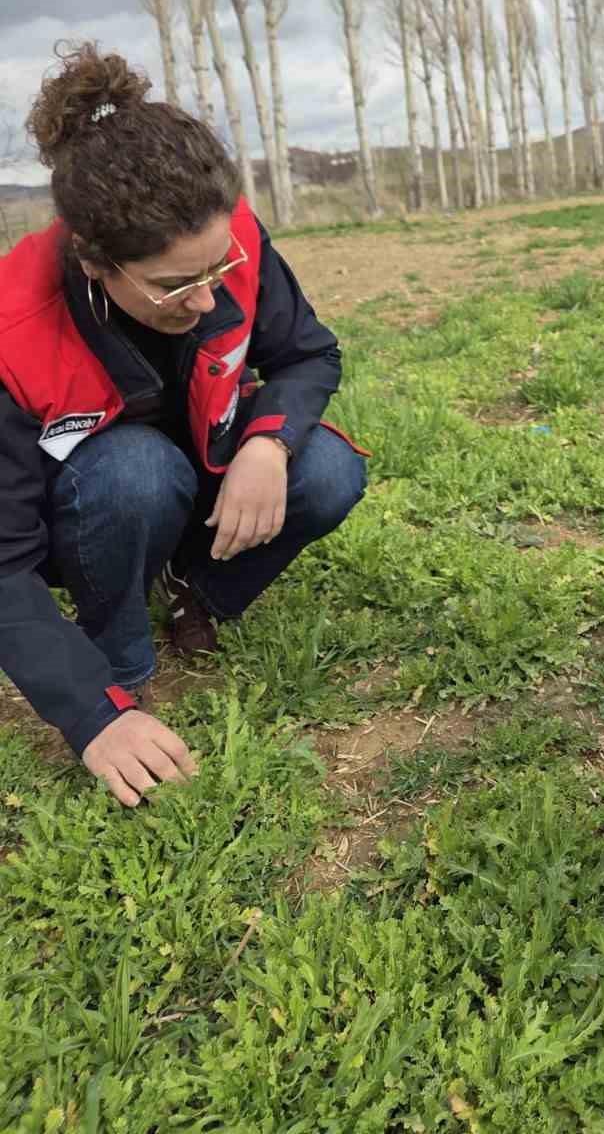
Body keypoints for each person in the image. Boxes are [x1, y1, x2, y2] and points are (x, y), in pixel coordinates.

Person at [0, 45, 367, 808]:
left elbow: (307, 354)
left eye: (217, 268)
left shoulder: (227, 237)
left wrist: (267, 442)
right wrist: (92, 715)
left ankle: (193, 592)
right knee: (134, 469)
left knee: (330, 471)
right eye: (175, 285)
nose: (207, 300)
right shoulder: (13, 330)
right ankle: (120, 663)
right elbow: (3, 566)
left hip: (206, 463)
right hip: (93, 508)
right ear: (94, 262)